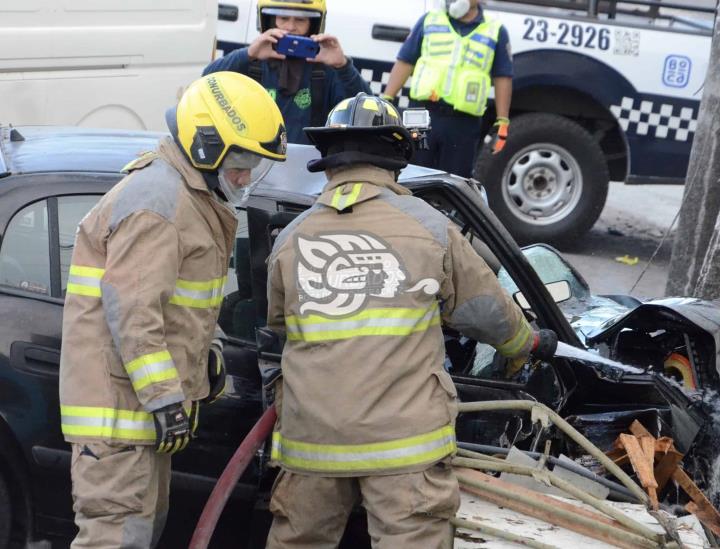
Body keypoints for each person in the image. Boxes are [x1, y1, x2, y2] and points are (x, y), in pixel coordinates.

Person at [264, 92, 557, 548]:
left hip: (312, 443)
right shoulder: (431, 227)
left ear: (329, 158)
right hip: (403, 447)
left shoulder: (291, 239)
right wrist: (527, 345)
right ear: (398, 153)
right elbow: (487, 314)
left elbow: (279, 330)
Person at [59, 71, 286, 548]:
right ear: (205, 145)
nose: (245, 177)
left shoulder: (189, 197)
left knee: (139, 534)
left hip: (136, 419)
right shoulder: (159, 203)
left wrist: (212, 357)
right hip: (121, 421)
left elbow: (189, 305)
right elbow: (135, 313)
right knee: (115, 538)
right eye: (241, 162)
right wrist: (164, 397)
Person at [203, 0, 372, 145]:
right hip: (253, 164)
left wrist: (343, 66)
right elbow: (206, 83)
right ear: (269, 20)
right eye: (283, 18)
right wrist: (247, 54)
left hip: (304, 169)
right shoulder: (253, 61)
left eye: (300, 20)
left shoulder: (323, 68)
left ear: (313, 24)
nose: (291, 27)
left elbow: (367, 110)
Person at [382, 0, 514, 178]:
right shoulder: (430, 20)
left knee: (454, 181)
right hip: (422, 114)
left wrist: (503, 120)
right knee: (411, 175)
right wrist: (387, 99)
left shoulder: (495, 30)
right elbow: (406, 61)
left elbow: (503, 76)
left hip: (463, 121)